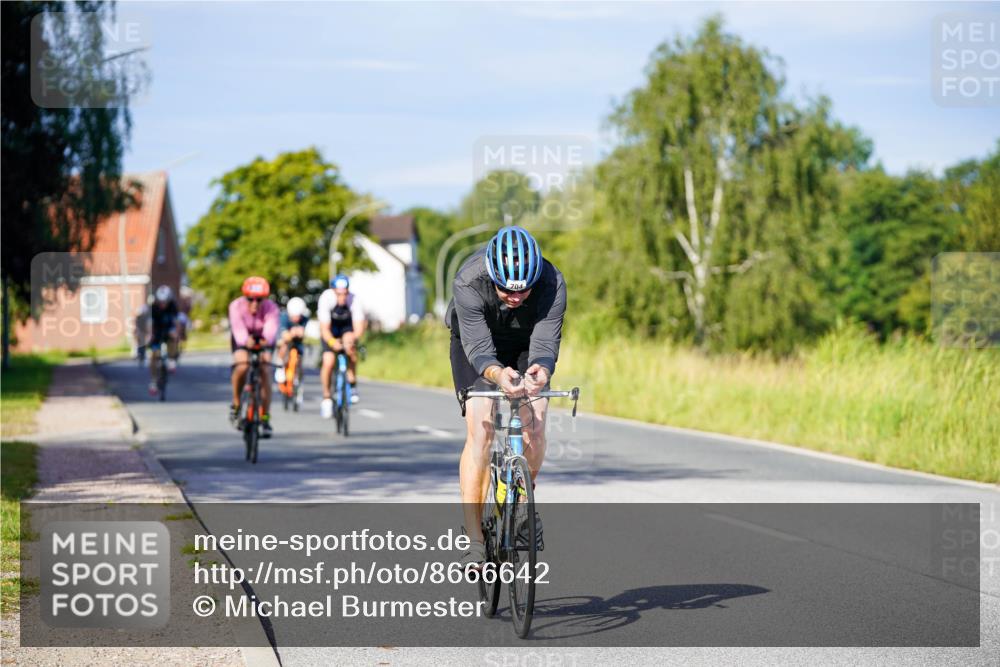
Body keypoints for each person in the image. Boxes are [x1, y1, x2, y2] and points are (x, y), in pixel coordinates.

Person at [446, 226, 566, 567]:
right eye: (506, 290)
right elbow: (479, 348)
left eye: (523, 291)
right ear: (492, 275)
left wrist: (540, 371)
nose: (515, 297)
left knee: (537, 420)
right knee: (481, 425)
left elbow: (544, 343)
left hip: (526, 342)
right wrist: (498, 375)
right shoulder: (469, 281)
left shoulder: (552, 283)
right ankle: (474, 542)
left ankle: (522, 503)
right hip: (476, 344)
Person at [228, 276, 280, 437]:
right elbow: (238, 330)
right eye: (250, 299)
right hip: (242, 339)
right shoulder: (236, 306)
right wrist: (245, 341)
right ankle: (236, 404)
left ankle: (265, 417)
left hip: (263, 339)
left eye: (259, 300)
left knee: (265, 369)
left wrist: (265, 340)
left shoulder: (272, 308)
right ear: (245, 297)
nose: (255, 303)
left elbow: (271, 331)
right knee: (242, 365)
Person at [317, 274, 367, 417]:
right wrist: (333, 342)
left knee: (351, 348)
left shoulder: (354, 300)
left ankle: (352, 384)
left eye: (345, 294)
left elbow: (358, 327)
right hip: (330, 329)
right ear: (333, 291)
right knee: (328, 361)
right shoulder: (326, 299)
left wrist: (352, 338)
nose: (342, 297)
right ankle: (327, 397)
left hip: (346, 327)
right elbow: (324, 329)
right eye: (339, 294)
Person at [148, 285, 179, 395]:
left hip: (169, 331)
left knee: (173, 337)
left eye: (165, 302)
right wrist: (150, 335)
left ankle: (171, 360)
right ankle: (153, 382)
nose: (163, 304)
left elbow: (176, 322)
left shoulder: (173, 306)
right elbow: (150, 324)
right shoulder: (153, 308)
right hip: (157, 332)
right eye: (161, 302)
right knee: (153, 356)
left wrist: (176, 332)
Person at [275, 296, 310, 389]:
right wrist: (292, 333)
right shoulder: (284, 317)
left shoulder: (304, 318)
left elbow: (304, 333)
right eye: (294, 316)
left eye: (298, 316)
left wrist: (300, 333)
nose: (296, 318)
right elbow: (284, 335)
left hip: (298, 342)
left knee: (299, 358)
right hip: (286, 342)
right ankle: (280, 367)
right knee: (283, 345)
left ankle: (297, 377)